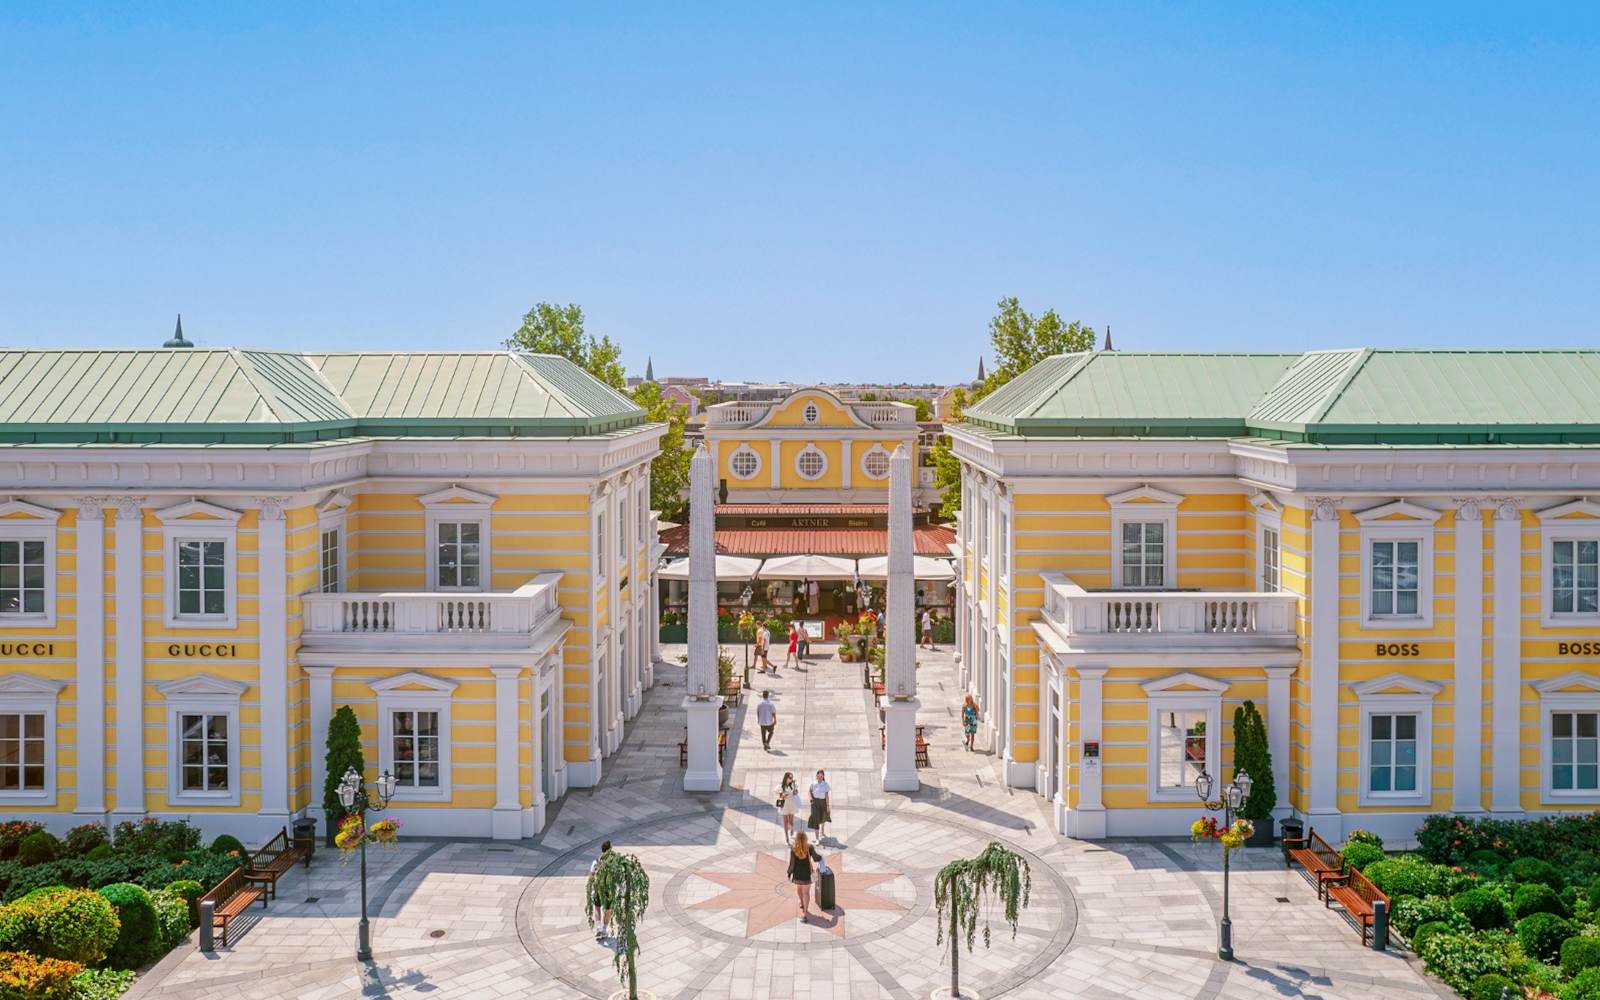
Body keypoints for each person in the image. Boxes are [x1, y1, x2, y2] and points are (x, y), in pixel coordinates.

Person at [787, 831, 822, 923]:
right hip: (807, 874)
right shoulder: (809, 847)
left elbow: (792, 863)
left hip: (798, 874)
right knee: (806, 893)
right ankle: (805, 912)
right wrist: (820, 856)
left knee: (799, 889)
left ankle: (801, 903)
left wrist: (789, 873)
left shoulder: (794, 849)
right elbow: (816, 858)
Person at [587, 840, 614, 940]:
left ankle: (598, 927)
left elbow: (591, 877)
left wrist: (590, 887)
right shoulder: (612, 864)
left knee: (597, 907)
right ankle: (604, 930)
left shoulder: (596, 862)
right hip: (608, 889)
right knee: (608, 909)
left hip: (598, 887)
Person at [775, 770, 801, 842]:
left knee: (791, 821)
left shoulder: (793, 784)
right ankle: (786, 836)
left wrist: (796, 792)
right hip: (785, 803)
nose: (791, 779)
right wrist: (781, 795)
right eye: (790, 778)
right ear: (786, 778)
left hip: (791, 802)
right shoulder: (781, 786)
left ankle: (792, 828)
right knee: (785, 821)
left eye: (791, 778)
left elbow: (796, 790)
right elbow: (777, 791)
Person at [807, 769, 832, 842]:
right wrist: (811, 799)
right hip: (815, 802)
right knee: (815, 818)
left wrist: (827, 805)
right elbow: (809, 792)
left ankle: (822, 828)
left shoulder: (825, 785)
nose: (819, 778)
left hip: (822, 801)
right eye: (818, 776)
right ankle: (817, 838)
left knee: (822, 816)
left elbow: (827, 795)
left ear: (823, 776)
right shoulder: (813, 783)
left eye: (821, 776)